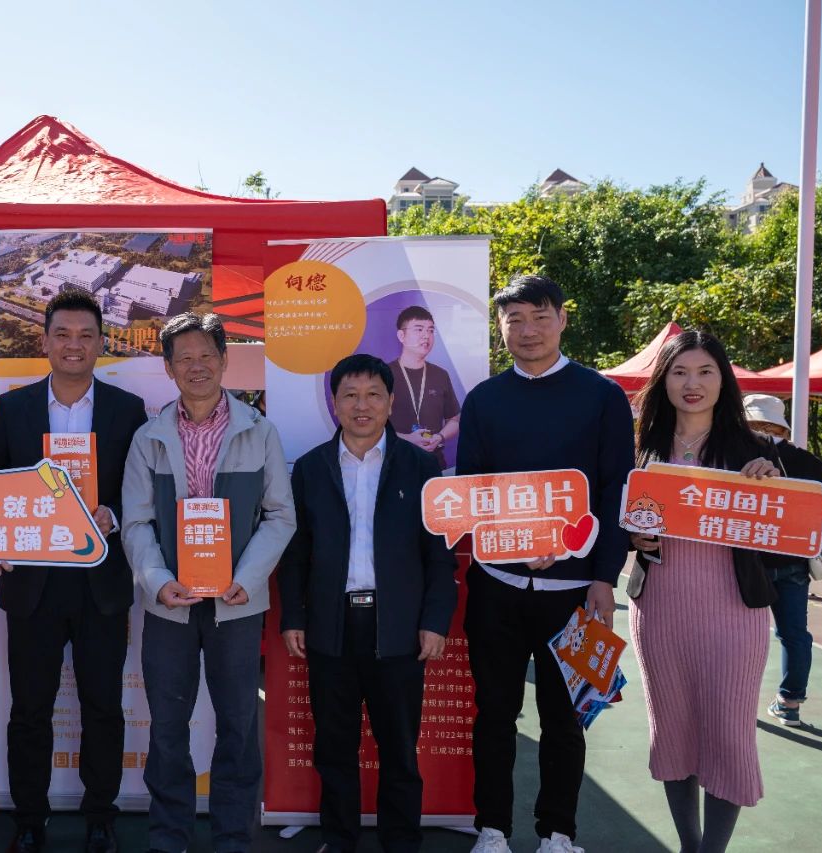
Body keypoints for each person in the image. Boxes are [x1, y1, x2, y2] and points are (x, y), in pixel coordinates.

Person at [457, 275, 633, 853]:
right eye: (515, 320)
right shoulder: (485, 399)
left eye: (539, 316)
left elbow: (616, 490)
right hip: (497, 585)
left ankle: (559, 832)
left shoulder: (602, 396)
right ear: (500, 327)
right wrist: (510, 542)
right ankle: (492, 829)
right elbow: (473, 490)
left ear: (562, 319)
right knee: (494, 713)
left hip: (575, 591)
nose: (527, 330)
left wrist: (604, 576)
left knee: (564, 718)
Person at [0, 292, 148, 853]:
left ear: (101, 343)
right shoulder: (13, 409)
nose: (74, 345)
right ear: (45, 341)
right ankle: (29, 819)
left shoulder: (128, 409)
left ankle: (101, 816)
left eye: (85, 335)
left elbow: (140, 488)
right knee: (29, 710)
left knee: (104, 707)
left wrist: (111, 513)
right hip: (34, 583)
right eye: (63, 334)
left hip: (101, 584)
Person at [122, 312, 295, 853]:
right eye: (184, 358)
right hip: (168, 605)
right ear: (168, 368)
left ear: (224, 360)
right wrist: (157, 581)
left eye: (206, 356)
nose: (196, 367)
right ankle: (168, 836)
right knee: (168, 726)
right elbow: (136, 522)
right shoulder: (148, 438)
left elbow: (280, 515)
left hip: (236, 604)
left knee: (238, 724)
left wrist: (247, 578)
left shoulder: (259, 431)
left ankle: (232, 838)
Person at [279, 353, 457, 853]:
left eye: (374, 394)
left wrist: (434, 621)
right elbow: (295, 553)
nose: (363, 406)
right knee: (334, 747)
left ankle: (401, 841)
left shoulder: (420, 467)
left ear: (391, 401)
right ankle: (340, 840)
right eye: (351, 395)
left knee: (399, 748)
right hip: (331, 627)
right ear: (334, 403)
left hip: (397, 628)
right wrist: (293, 616)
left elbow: (439, 557)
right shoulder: (311, 468)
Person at [627, 332, 784, 853]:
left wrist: (772, 487)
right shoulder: (642, 448)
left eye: (704, 372)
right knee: (673, 731)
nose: (691, 383)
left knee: (728, 736)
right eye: (679, 372)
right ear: (663, 381)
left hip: (734, 614)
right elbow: (621, 517)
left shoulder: (755, 451)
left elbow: (789, 530)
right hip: (659, 610)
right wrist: (632, 535)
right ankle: (689, 845)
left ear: (723, 380)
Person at [740, 393, 822, 726]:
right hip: (792, 560)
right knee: (794, 635)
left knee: (739, 636)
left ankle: (736, 701)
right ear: (782, 427)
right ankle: (790, 702)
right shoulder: (801, 458)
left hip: (747, 563)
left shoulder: (736, 456)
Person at [387, 306, 460, 467]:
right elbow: (371, 426)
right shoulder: (383, 374)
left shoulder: (440, 374)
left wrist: (439, 437)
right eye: (419, 329)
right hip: (394, 463)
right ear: (401, 336)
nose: (426, 336)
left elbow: (454, 420)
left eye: (430, 330)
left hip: (433, 463)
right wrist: (407, 439)